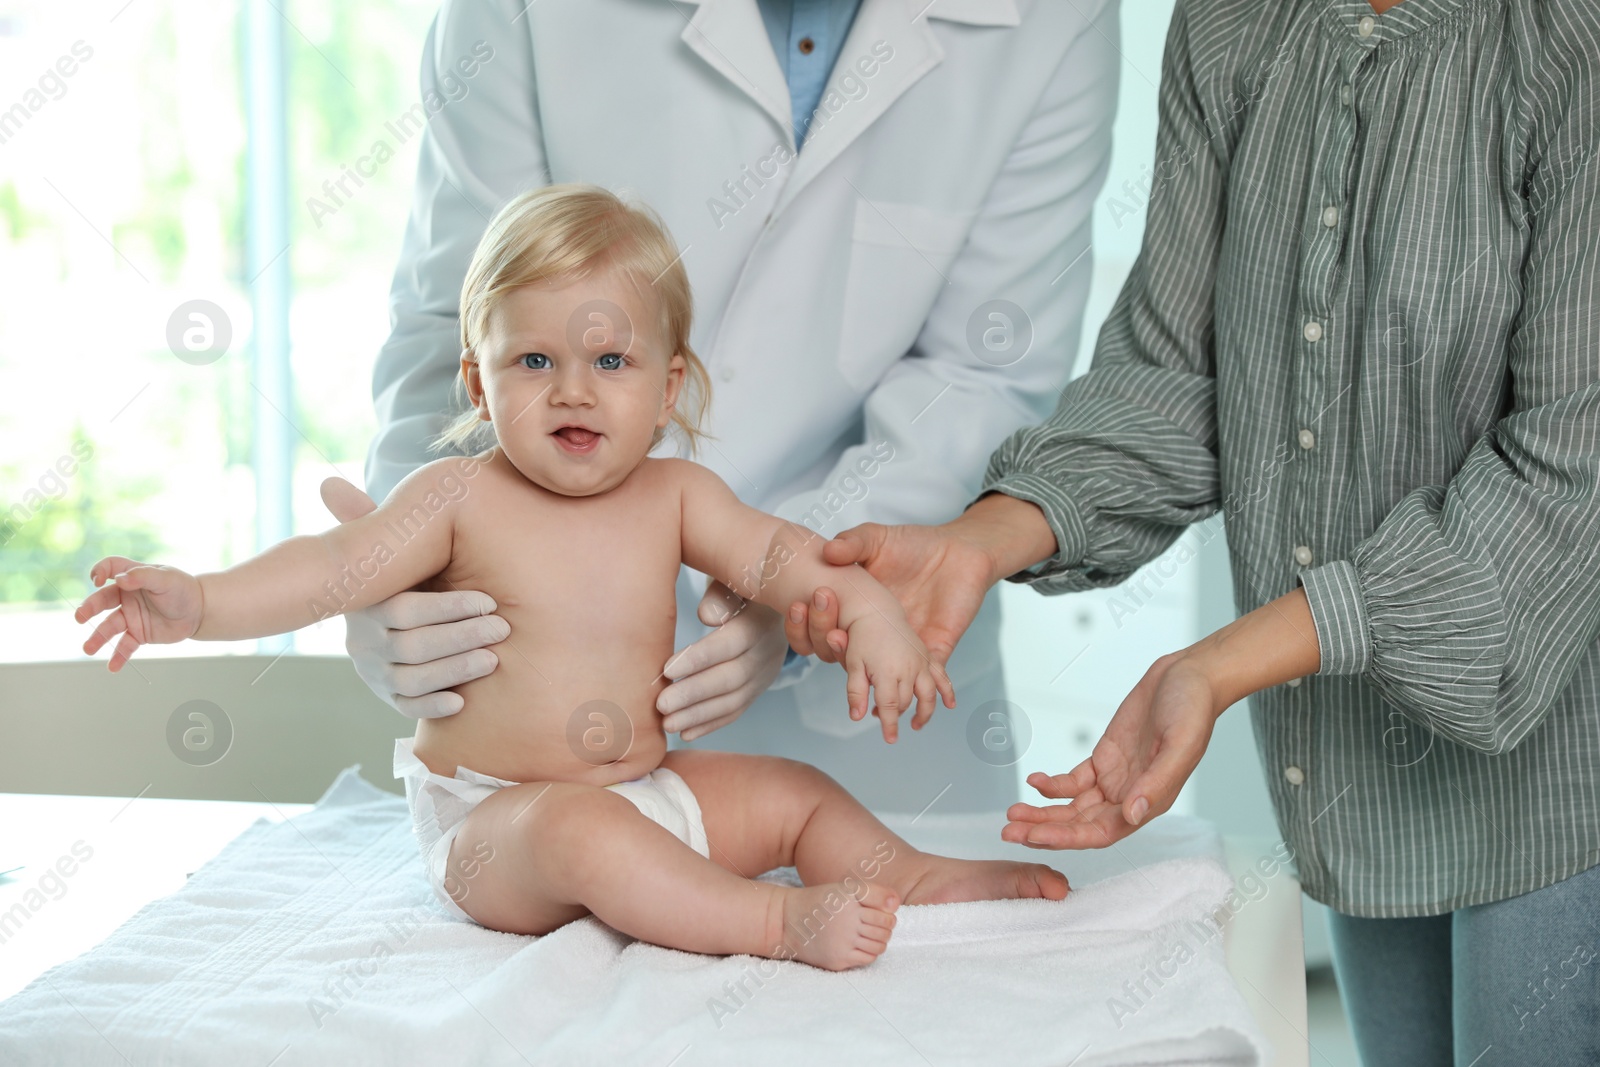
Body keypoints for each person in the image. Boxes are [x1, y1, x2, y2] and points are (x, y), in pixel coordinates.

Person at [786, 0, 1600, 1061]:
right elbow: (1179, 377)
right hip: (1351, 767)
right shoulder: (1231, 26)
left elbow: (1565, 472)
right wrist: (980, 540)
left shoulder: (1566, 44)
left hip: (1561, 788)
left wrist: (1218, 663)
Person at [74, 185, 1067, 970]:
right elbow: (335, 565)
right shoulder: (456, 493)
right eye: (535, 358)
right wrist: (199, 601)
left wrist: (871, 614)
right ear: (477, 379)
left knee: (795, 791)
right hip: (500, 827)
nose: (574, 388)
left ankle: (914, 873)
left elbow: (788, 561)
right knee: (582, 826)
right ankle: (774, 920)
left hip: (646, 789)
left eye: (611, 359)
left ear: (669, 385)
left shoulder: (680, 493)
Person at [318, 0, 1122, 814]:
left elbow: (979, 375)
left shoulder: (1054, 17)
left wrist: (799, 591)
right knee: (559, 884)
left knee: (895, 898)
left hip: (872, 717)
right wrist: (403, 570)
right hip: (527, 703)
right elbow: (458, 315)